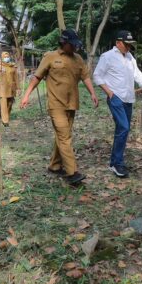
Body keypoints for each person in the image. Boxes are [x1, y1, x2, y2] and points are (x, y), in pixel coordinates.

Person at [20, 29, 99, 186]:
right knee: (65, 136)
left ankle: (54, 166)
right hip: (56, 104)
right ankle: (72, 172)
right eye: (73, 45)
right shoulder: (50, 57)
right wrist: (27, 95)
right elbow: (37, 77)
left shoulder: (78, 59)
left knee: (63, 135)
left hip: (72, 104)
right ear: (64, 42)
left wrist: (93, 93)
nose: (75, 48)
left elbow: (85, 77)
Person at [93, 30, 142, 178]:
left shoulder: (130, 57)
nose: (129, 47)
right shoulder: (107, 57)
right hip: (115, 98)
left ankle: (114, 162)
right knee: (124, 127)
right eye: (126, 44)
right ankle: (117, 164)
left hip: (129, 98)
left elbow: (138, 75)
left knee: (122, 129)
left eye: (130, 44)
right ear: (118, 43)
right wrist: (109, 93)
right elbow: (97, 76)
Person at [0, 51, 19, 126]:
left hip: (11, 88)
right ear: (1, 57)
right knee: (3, 104)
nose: (6, 58)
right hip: (2, 88)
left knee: (10, 104)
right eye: (4, 57)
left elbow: (16, 78)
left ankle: (6, 116)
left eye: (7, 57)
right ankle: (5, 121)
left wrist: (18, 88)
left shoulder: (13, 66)